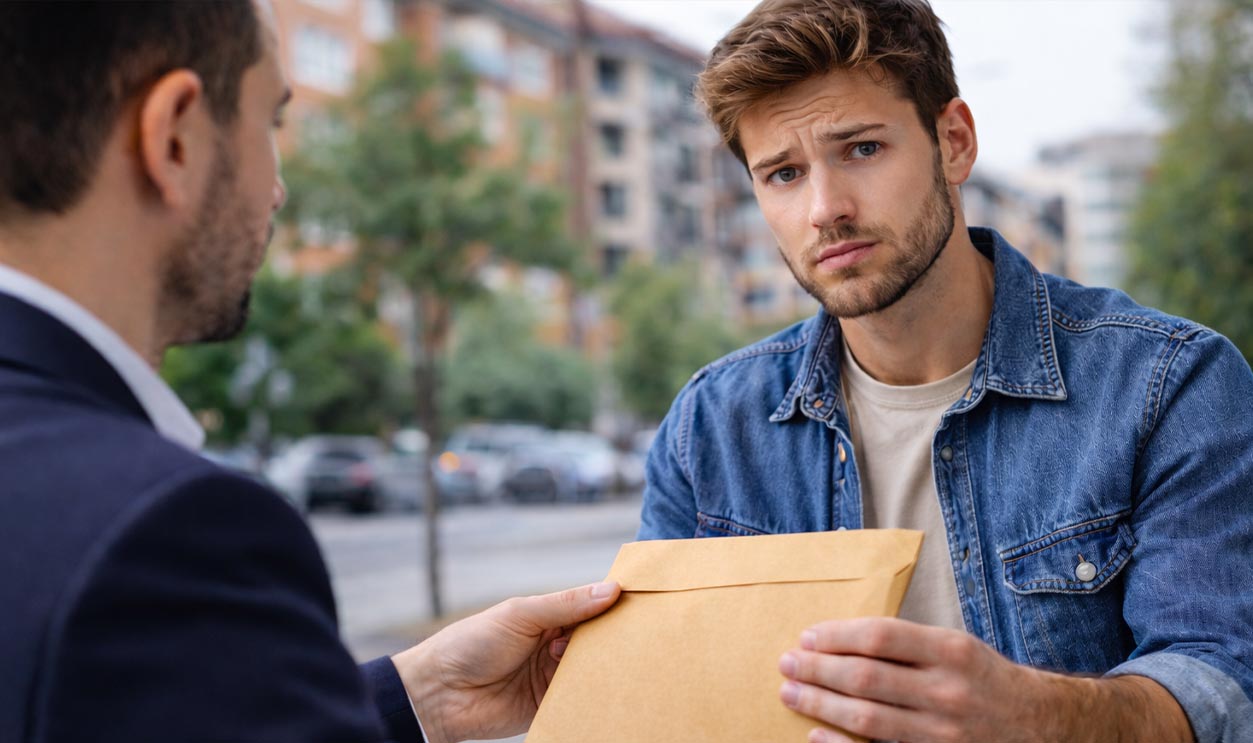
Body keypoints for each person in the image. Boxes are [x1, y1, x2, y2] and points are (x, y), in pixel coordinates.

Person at [0, 2, 619, 742]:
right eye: (271, 122)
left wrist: (416, 696)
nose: (278, 189)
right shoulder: (166, 528)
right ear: (174, 137)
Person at [638, 1, 1253, 741]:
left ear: (953, 142)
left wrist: (1033, 713)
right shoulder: (708, 428)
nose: (825, 209)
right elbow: (664, 700)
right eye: (784, 173)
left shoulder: (1168, 384)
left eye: (862, 149)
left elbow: (1221, 685)